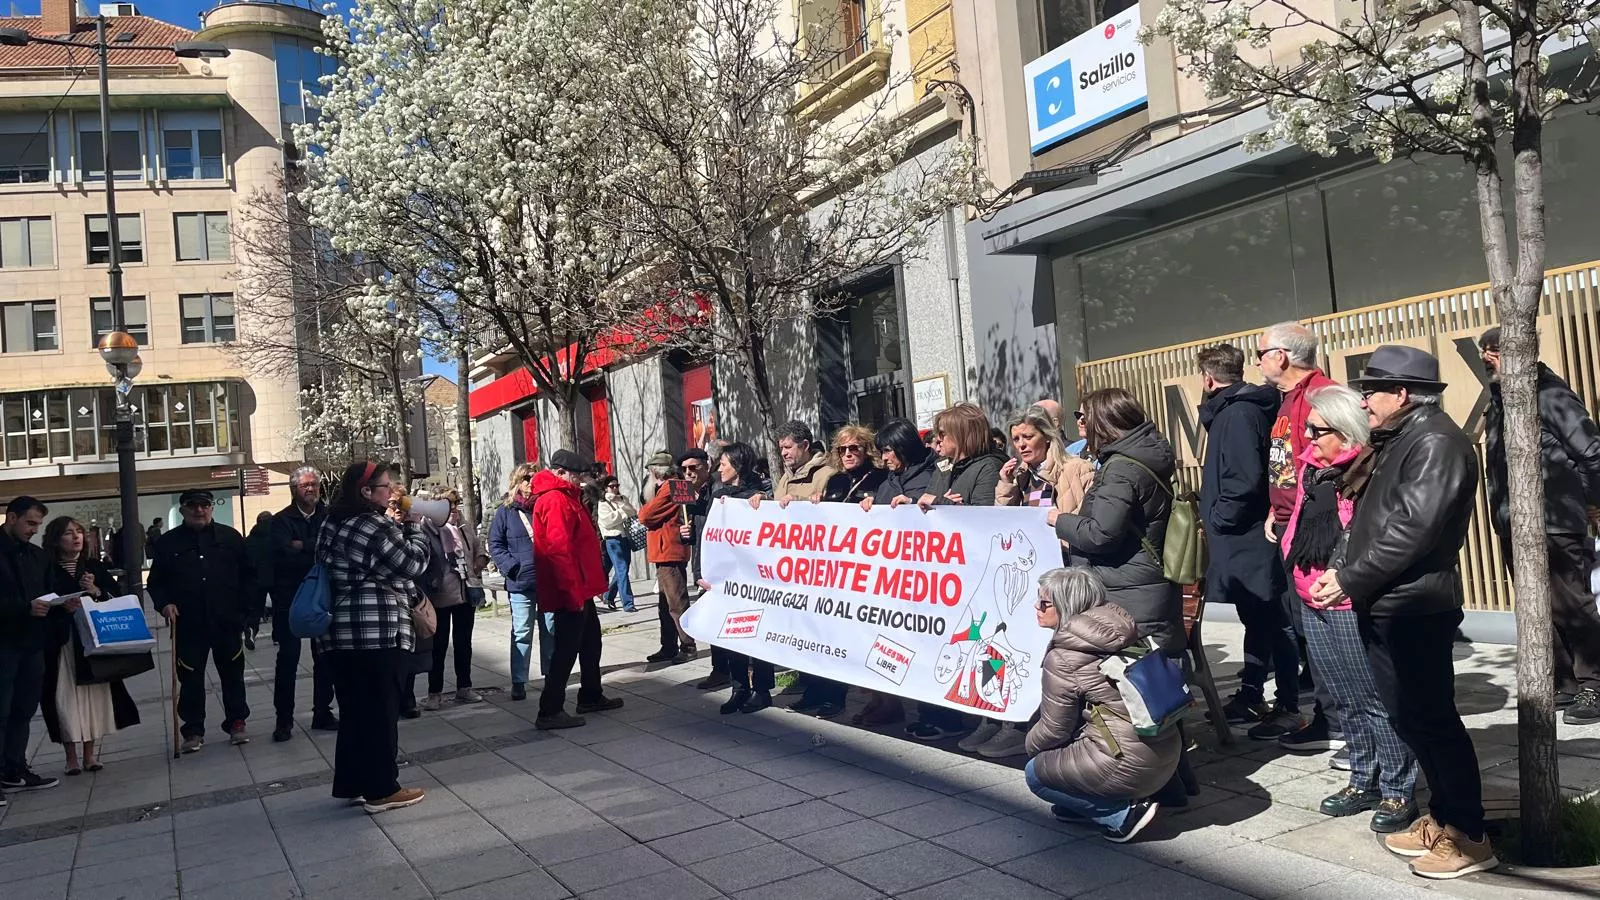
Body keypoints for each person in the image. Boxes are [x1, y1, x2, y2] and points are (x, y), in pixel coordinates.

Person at [1312, 345, 1494, 879]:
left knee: (1433, 719)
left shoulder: (1436, 441)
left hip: (1415, 605)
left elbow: (1413, 530)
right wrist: (1341, 568)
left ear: (1403, 393)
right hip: (1386, 600)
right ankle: (1441, 815)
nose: (1363, 401)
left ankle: (1470, 833)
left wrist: (1350, 577)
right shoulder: (1400, 438)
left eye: (1371, 391)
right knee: (1408, 715)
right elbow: (1367, 518)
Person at [1283, 385, 1419, 834]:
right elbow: (1299, 520)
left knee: (1372, 696)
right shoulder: (1309, 471)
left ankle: (1398, 787)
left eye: (1317, 430)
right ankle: (1363, 779)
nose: (1308, 437)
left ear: (1344, 432)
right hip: (1309, 592)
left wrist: (1344, 583)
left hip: (1345, 596)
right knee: (1342, 696)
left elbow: (1373, 537)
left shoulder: (1365, 470)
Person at [1480, 326, 1600, 724]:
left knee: (1571, 602)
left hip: (1556, 519)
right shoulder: (1500, 400)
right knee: (1538, 606)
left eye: (1495, 349)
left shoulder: (1550, 394)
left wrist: (1590, 503)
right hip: (1514, 521)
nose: (1487, 357)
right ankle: (1563, 682)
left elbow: (1591, 452)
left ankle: (1594, 683)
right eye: (1484, 350)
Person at [1024, 567, 1178, 844]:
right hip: (1165, 754)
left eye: (1044, 603)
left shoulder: (1064, 656)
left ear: (1065, 606)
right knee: (1064, 754)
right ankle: (1083, 804)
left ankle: (1120, 815)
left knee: (1036, 773)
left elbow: (1054, 729)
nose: (1037, 607)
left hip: (1127, 765)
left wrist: (1029, 746)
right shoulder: (1126, 631)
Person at [1195, 344, 1301, 737]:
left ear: (1207, 378)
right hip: (1245, 535)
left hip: (1248, 537)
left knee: (1273, 620)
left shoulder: (1238, 413)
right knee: (1257, 618)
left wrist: (1220, 519)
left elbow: (1243, 478)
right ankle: (1253, 693)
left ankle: (1287, 703)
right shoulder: (1238, 409)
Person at [318, 461, 429, 814]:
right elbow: (410, 564)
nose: (392, 490)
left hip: (340, 635)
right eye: (385, 485)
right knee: (381, 711)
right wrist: (414, 530)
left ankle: (352, 782)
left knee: (355, 712)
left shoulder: (332, 523)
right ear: (365, 492)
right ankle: (382, 789)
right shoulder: (369, 523)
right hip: (374, 632)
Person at [1255, 321, 1343, 747]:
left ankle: (1337, 721)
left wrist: (1297, 518)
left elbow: (1328, 466)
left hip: (1313, 532)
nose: (1257, 363)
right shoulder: (1287, 399)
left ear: (1281, 356)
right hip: (1289, 524)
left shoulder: (1318, 395)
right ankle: (1328, 716)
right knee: (1307, 627)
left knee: (1323, 627)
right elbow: (1287, 463)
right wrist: (1276, 508)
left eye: (1260, 353)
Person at [1047, 389, 1184, 658]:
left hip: (1128, 595)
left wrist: (1059, 520)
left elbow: (1102, 534)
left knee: (1062, 660)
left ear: (1104, 420)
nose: (1078, 423)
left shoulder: (1121, 468)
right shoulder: (1138, 456)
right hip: (1141, 586)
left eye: (1083, 417)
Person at [897, 403, 1005, 740]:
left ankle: (990, 719)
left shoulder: (990, 466)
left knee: (985, 646)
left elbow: (991, 515)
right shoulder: (946, 467)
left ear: (964, 434)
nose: (935, 441)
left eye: (943, 434)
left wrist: (957, 509)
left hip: (979, 573)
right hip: (948, 573)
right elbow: (933, 498)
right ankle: (943, 713)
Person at [780, 425, 888, 719]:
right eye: (843, 450)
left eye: (855, 448)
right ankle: (816, 689)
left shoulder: (881, 478)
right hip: (831, 571)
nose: (849, 454)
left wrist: (875, 506)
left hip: (864, 571)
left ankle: (842, 696)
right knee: (821, 634)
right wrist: (813, 505)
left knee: (849, 637)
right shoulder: (836, 480)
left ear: (867, 450)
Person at [148, 490, 258, 752]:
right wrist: (165, 604)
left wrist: (247, 612)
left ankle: (237, 722)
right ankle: (193, 730)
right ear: (183, 509)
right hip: (188, 623)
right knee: (190, 678)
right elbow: (156, 582)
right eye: (193, 506)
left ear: (211, 508)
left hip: (226, 620)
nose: (199, 510)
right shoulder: (168, 543)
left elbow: (249, 576)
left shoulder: (230, 538)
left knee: (232, 674)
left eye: (204, 505)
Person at [39, 517, 140, 775]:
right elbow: (39, 601)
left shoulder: (93, 565)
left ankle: (89, 754)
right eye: (68, 533)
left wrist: (94, 590)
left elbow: (115, 595)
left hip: (92, 641)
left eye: (79, 532)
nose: (76, 537)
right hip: (62, 642)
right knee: (64, 698)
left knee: (94, 698)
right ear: (55, 539)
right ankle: (70, 757)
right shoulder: (45, 568)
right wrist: (60, 607)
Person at [530, 449, 622, 729]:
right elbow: (560, 552)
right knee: (566, 650)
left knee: (591, 642)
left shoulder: (565, 497)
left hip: (579, 588)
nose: (580, 480)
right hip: (568, 591)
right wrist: (572, 595)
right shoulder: (555, 500)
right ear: (559, 473)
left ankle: (591, 694)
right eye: (576, 475)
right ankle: (550, 709)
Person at [268, 466, 337, 743]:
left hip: (323, 597)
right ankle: (283, 720)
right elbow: (282, 555)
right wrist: (310, 549)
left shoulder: (330, 516)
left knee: (325, 658)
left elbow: (331, 549)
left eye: (315, 484)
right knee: (288, 661)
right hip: (291, 599)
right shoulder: (281, 521)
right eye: (305, 485)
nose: (311, 489)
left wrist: (302, 545)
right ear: (294, 489)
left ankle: (323, 711)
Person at [0, 496, 60, 798]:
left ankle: (15, 769)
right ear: (11, 518)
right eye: (30, 523)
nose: (34, 530)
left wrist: (64, 603)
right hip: (4, 643)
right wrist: (24, 608)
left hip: (32, 644)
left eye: (38, 524)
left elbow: (49, 593)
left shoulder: (37, 556)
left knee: (23, 710)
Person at [709, 442, 775, 714]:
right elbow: (710, 537)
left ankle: (761, 689)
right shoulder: (719, 496)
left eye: (723, 464)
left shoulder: (758, 497)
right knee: (731, 634)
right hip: (728, 579)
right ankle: (739, 688)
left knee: (756, 635)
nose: (719, 469)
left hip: (754, 580)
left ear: (737, 465)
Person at [639, 450, 713, 671]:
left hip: (669, 550)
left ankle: (687, 645)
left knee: (675, 602)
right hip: (665, 550)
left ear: (655, 471)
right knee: (665, 603)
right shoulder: (672, 486)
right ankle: (669, 644)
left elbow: (645, 516)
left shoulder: (671, 487)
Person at [421, 497, 483, 711]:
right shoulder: (427, 528)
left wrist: (479, 561)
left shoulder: (463, 526)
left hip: (466, 593)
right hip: (440, 595)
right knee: (438, 646)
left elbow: (477, 546)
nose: (454, 509)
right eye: (449, 505)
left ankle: (464, 686)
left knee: (463, 643)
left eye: (456, 503)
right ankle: (434, 692)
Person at [488, 463, 543, 702]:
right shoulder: (506, 511)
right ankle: (519, 680)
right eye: (526, 478)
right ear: (517, 482)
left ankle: (552, 675)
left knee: (551, 630)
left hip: (548, 579)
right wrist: (513, 568)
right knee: (522, 631)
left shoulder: (545, 505)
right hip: (521, 582)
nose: (531, 482)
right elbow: (495, 543)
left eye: (534, 478)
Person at [595, 476, 638, 613]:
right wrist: (623, 513)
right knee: (622, 569)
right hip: (613, 539)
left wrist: (622, 506)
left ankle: (609, 595)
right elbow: (608, 521)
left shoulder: (622, 499)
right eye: (611, 486)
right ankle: (628, 603)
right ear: (605, 488)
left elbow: (633, 512)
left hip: (626, 538)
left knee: (622, 570)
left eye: (616, 485)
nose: (615, 488)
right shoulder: (602, 503)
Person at [773, 421, 837, 502]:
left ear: (805, 445)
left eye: (788, 447)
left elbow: (832, 510)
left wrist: (798, 500)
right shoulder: (786, 476)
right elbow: (779, 505)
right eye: (781, 448)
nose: (783, 453)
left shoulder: (828, 475)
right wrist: (764, 501)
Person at [244, 511, 274, 650]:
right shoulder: (277, 536)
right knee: (279, 607)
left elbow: (245, 560)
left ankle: (251, 629)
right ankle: (278, 636)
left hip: (256, 579)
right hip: (276, 577)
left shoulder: (250, 539)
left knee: (256, 608)